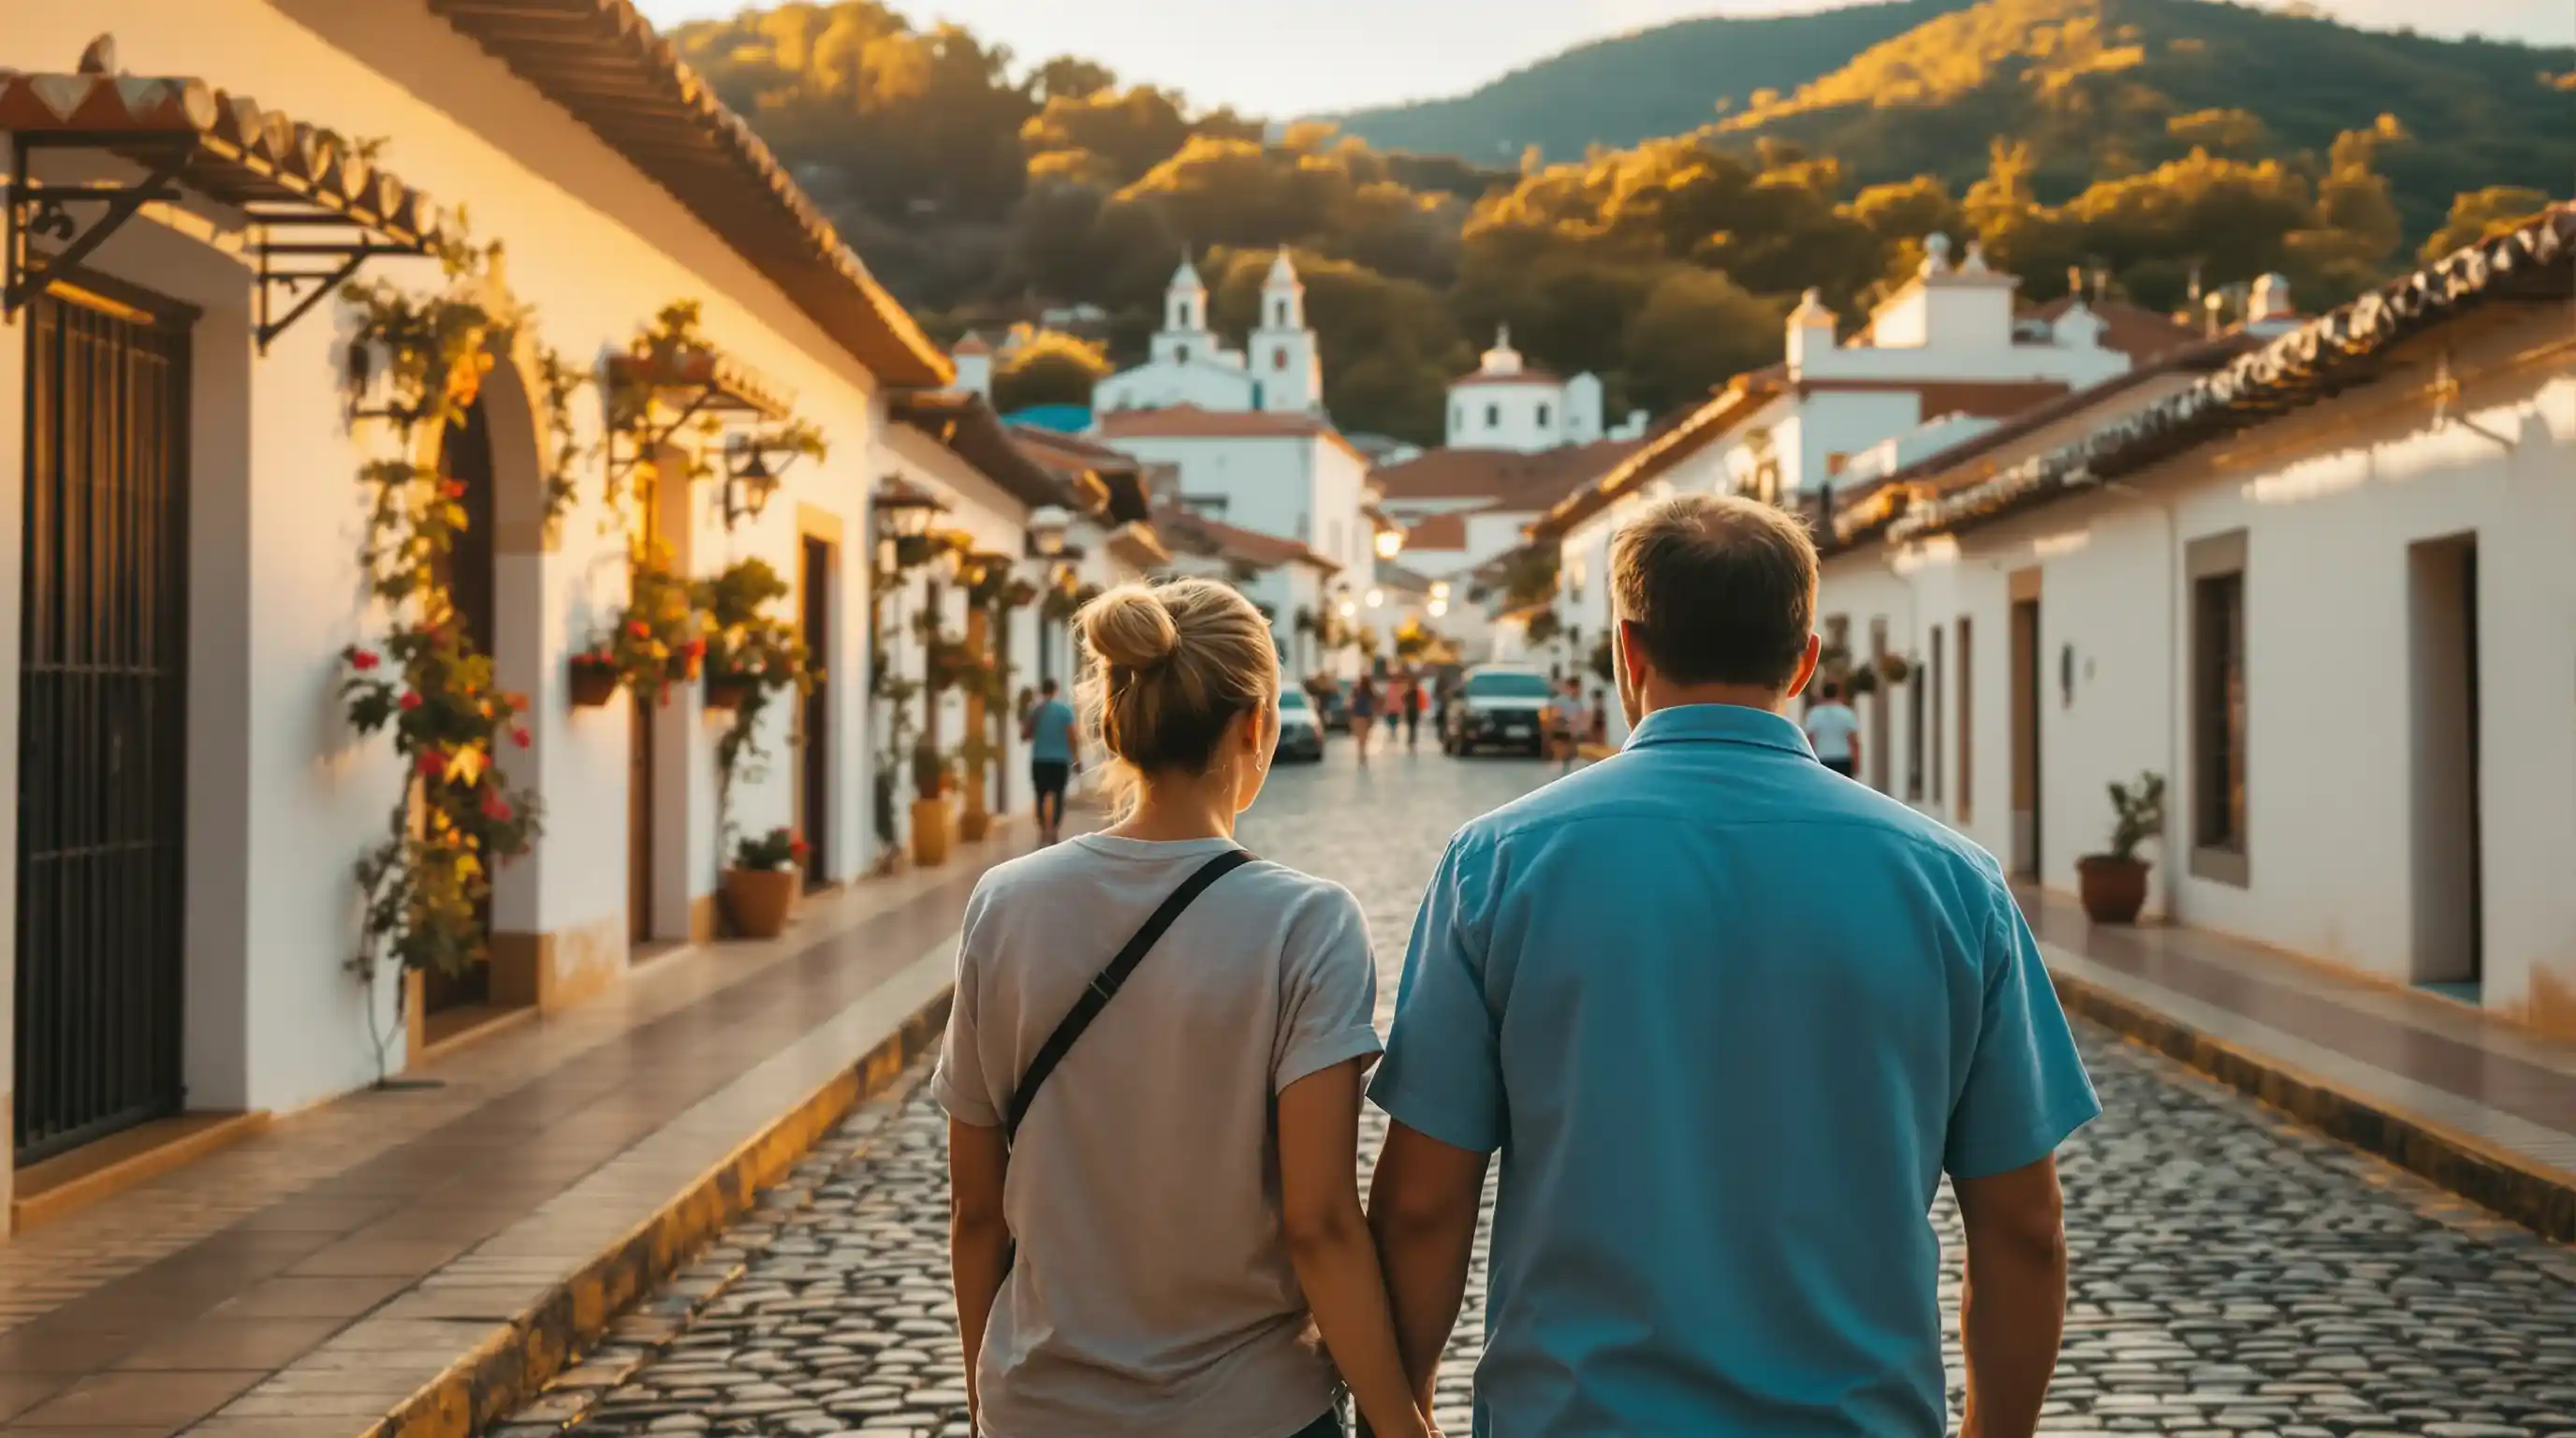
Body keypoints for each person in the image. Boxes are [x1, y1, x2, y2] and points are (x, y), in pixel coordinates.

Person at [1368, 494, 2098, 1438]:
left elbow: (1423, 1202)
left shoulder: (1498, 865)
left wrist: (1402, 1407)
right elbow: (2025, 1228)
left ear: (1629, 651)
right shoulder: (1953, 883)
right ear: (1804, 661)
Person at [939, 579, 1436, 1438]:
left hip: (1043, 1410)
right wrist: (1399, 1420)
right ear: (1255, 725)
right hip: (1254, 1411)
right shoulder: (1306, 924)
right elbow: (1320, 1225)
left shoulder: (1006, 903)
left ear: (1113, 722)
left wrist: (989, 1400)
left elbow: (976, 1210)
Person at [1021, 679, 1078, 845]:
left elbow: (1025, 735)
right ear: (1056, 690)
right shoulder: (1064, 710)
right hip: (1060, 760)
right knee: (1059, 795)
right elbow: (1072, 736)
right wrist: (1076, 757)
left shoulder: (1035, 710)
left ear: (1041, 690)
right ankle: (1053, 829)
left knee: (1040, 795)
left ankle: (1042, 830)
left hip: (1040, 759)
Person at [1806, 679, 1864, 781]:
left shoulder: (1814, 714)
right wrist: (1857, 763)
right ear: (1838, 693)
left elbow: (1810, 740)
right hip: (1843, 760)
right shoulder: (1847, 713)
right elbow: (1853, 741)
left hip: (1822, 759)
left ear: (1823, 694)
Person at [1350, 675, 1380, 768]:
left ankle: (1361, 757)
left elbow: (1352, 704)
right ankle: (1363, 757)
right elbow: (1376, 703)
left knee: (1360, 740)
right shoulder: (1370, 693)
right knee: (1364, 739)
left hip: (1358, 717)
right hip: (1367, 717)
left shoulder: (1357, 693)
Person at [1401, 675, 1426, 755]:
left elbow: (1403, 699)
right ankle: (1413, 740)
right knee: (1413, 727)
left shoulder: (1409, 692)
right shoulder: (1417, 693)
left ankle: (1411, 740)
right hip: (1414, 711)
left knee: (1411, 727)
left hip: (1410, 711)